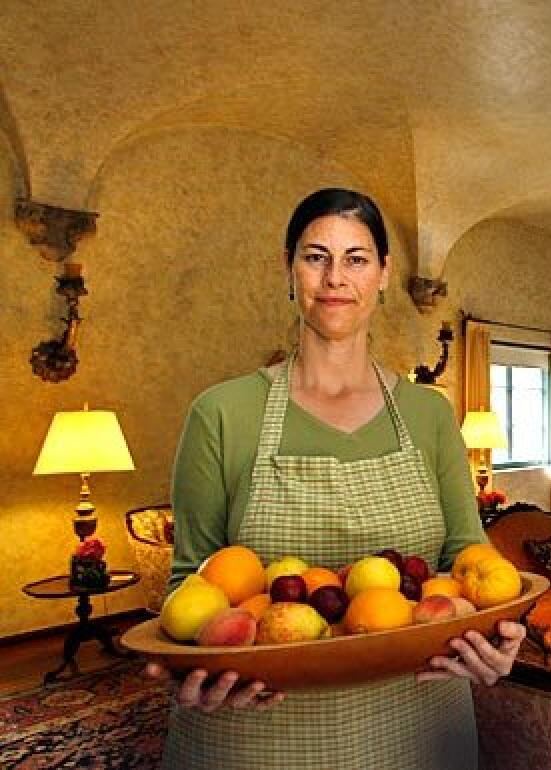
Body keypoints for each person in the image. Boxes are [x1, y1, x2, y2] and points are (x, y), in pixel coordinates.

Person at [144, 188, 524, 769]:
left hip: (419, 725)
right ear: (289, 269)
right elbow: (188, 583)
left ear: (383, 274)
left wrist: (498, 633)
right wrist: (189, 661)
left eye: (356, 259)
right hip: (255, 733)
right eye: (315, 256)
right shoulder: (221, 413)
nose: (334, 278)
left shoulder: (429, 414)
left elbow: (465, 553)